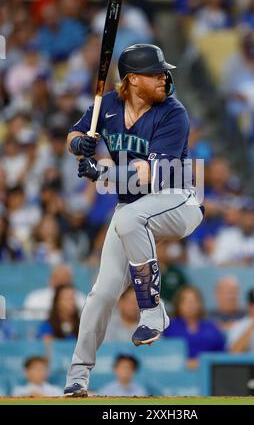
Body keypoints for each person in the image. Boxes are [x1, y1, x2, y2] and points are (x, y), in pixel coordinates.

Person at [64, 43, 203, 396]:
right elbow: (73, 134)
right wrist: (79, 145)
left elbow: (146, 174)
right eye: (156, 73)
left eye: (163, 72)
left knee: (129, 219)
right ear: (133, 80)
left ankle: (153, 311)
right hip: (132, 209)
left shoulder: (173, 112)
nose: (164, 78)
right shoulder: (107, 105)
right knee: (101, 294)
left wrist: (101, 174)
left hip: (178, 200)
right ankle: (77, 377)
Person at [164, 286, 226, 370]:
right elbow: (164, 356)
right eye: (186, 301)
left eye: (194, 301)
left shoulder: (212, 328)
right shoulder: (169, 327)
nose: (190, 305)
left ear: (200, 304)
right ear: (178, 305)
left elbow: (223, 354)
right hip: (178, 373)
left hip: (209, 372)